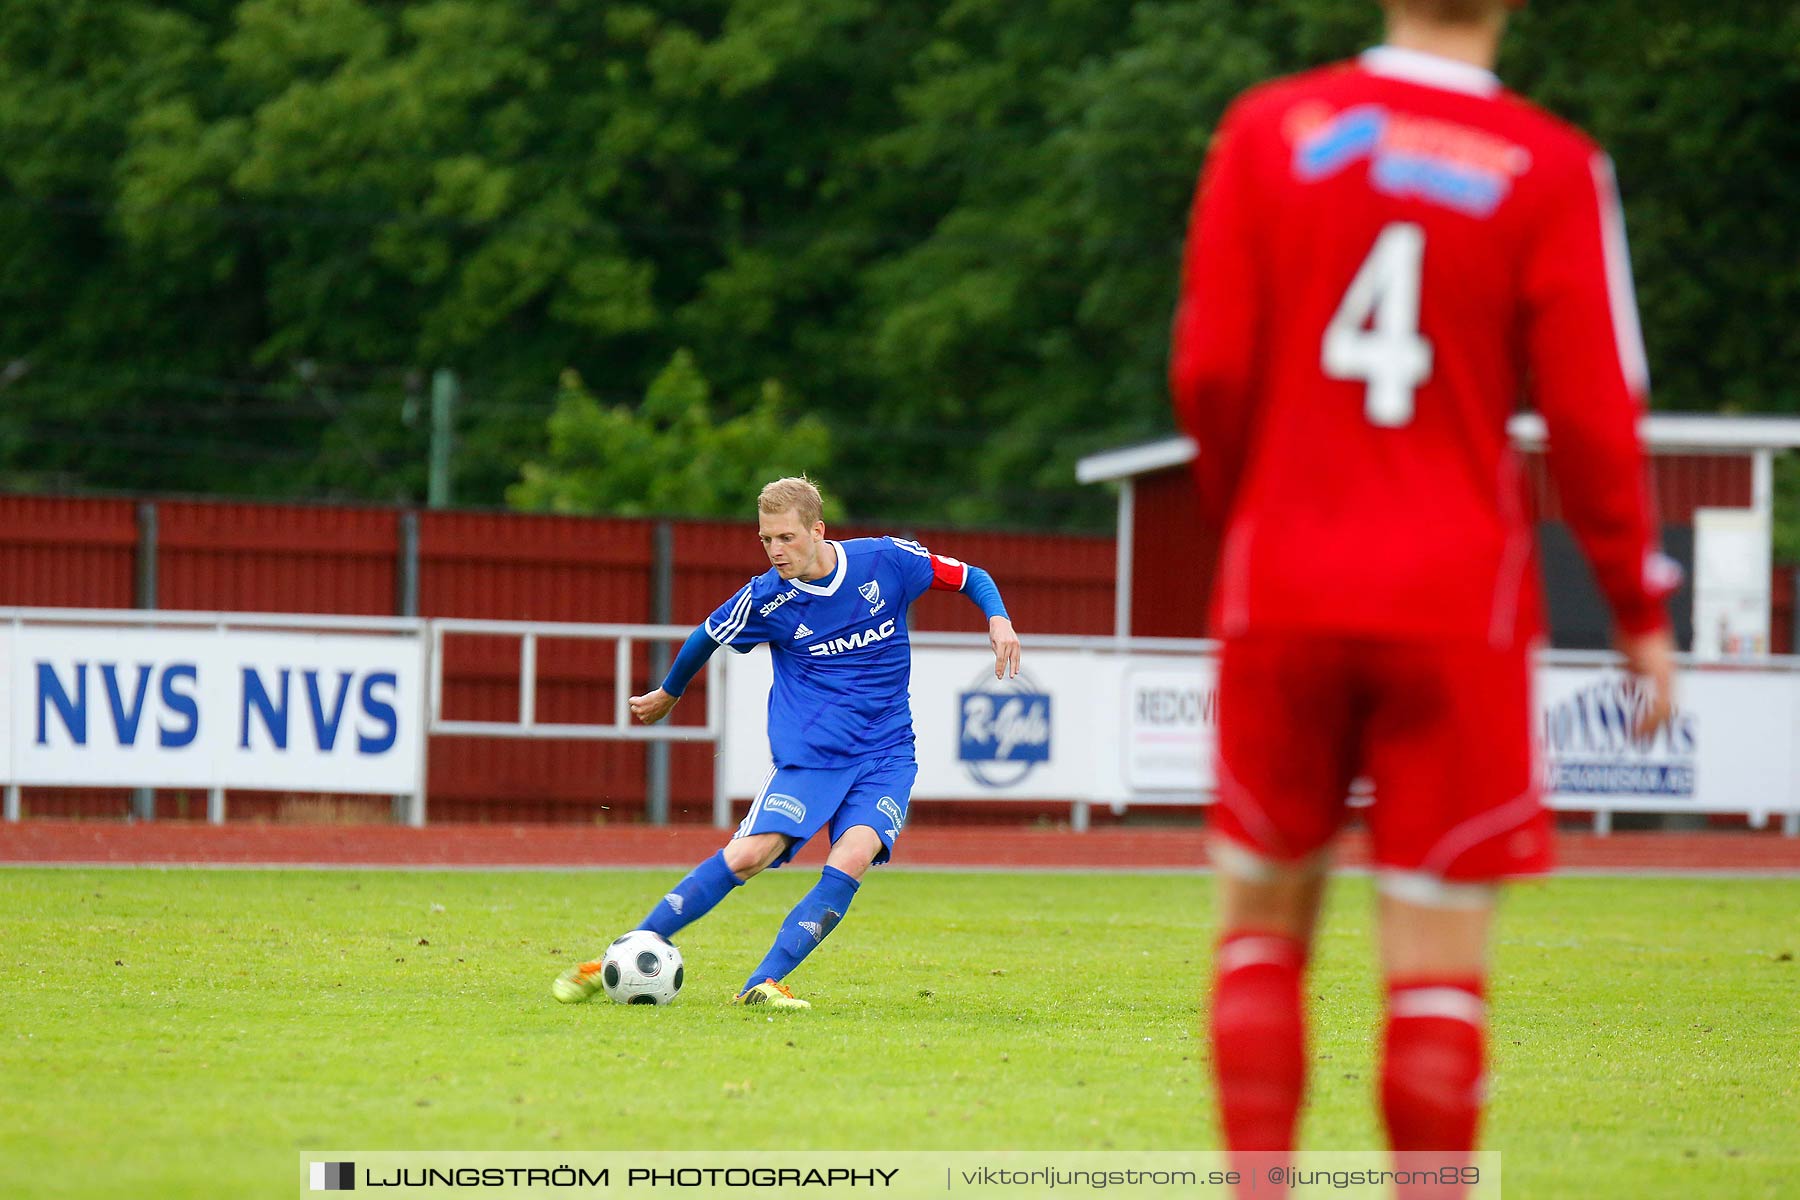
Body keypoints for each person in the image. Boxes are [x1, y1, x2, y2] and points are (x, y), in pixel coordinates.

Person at [1169, 0, 1679, 1190]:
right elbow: (1598, 415)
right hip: (1459, 604)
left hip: (1284, 581)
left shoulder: (1268, 127)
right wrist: (1639, 613)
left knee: (1258, 936)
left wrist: (1259, 514)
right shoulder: (1555, 168)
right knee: (1437, 970)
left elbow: (1209, 368)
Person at [553, 476, 1021, 1009]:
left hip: (887, 753)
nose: (776, 550)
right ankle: (623, 952)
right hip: (812, 758)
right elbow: (706, 635)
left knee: (854, 856)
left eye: (786, 538)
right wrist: (669, 692)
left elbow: (969, 575)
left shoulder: (885, 561)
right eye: (766, 539)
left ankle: (764, 982)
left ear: (817, 531)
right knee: (751, 854)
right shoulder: (767, 599)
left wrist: (999, 618)